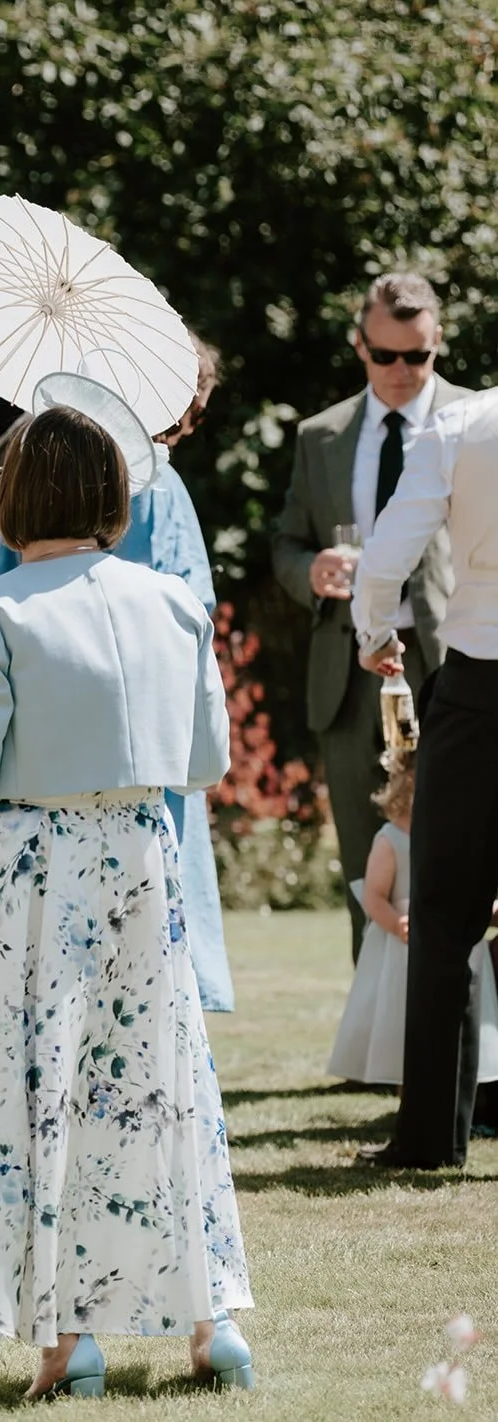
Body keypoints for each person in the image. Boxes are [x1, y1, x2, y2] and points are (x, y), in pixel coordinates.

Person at [0, 401, 253, 1397]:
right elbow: (203, 758)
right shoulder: (171, 604)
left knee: (36, 1097)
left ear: (11, 499)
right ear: (114, 497)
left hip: (25, 879)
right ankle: (211, 1331)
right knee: (153, 1091)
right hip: (138, 861)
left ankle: (66, 1343)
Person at [0, 333, 235, 1012]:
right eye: (176, 416)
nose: (179, 432)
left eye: (189, 420)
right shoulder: (154, 484)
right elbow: (191, 609)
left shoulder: (32, 470)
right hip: (137, 737)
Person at [272, 273, 468, 964]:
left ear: (437, 343)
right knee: (366, 854)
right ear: (359, 346)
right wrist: (310, 572)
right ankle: (375, 1035)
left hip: (454, 664)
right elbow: (285, 545)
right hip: (349, 668)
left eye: (415, 357)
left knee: (463, 844)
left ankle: (466, 1032)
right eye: (383, 356)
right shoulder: (319, 435)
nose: (399, 372)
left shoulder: (476, 422)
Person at [351, 386, 498, 1169]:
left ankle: (430, 1139)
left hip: (479, 683)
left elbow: (385, 555)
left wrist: (374, 631)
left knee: (444, 917)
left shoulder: (463, 424)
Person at [327, 750, 498, 1085]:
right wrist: (395, 922)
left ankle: (462, 1084)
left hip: (445, 935)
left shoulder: (455, 838)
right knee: (400, 1014)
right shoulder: (391, 840)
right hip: (400, 946)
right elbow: (374, 895)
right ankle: (404, 1082)